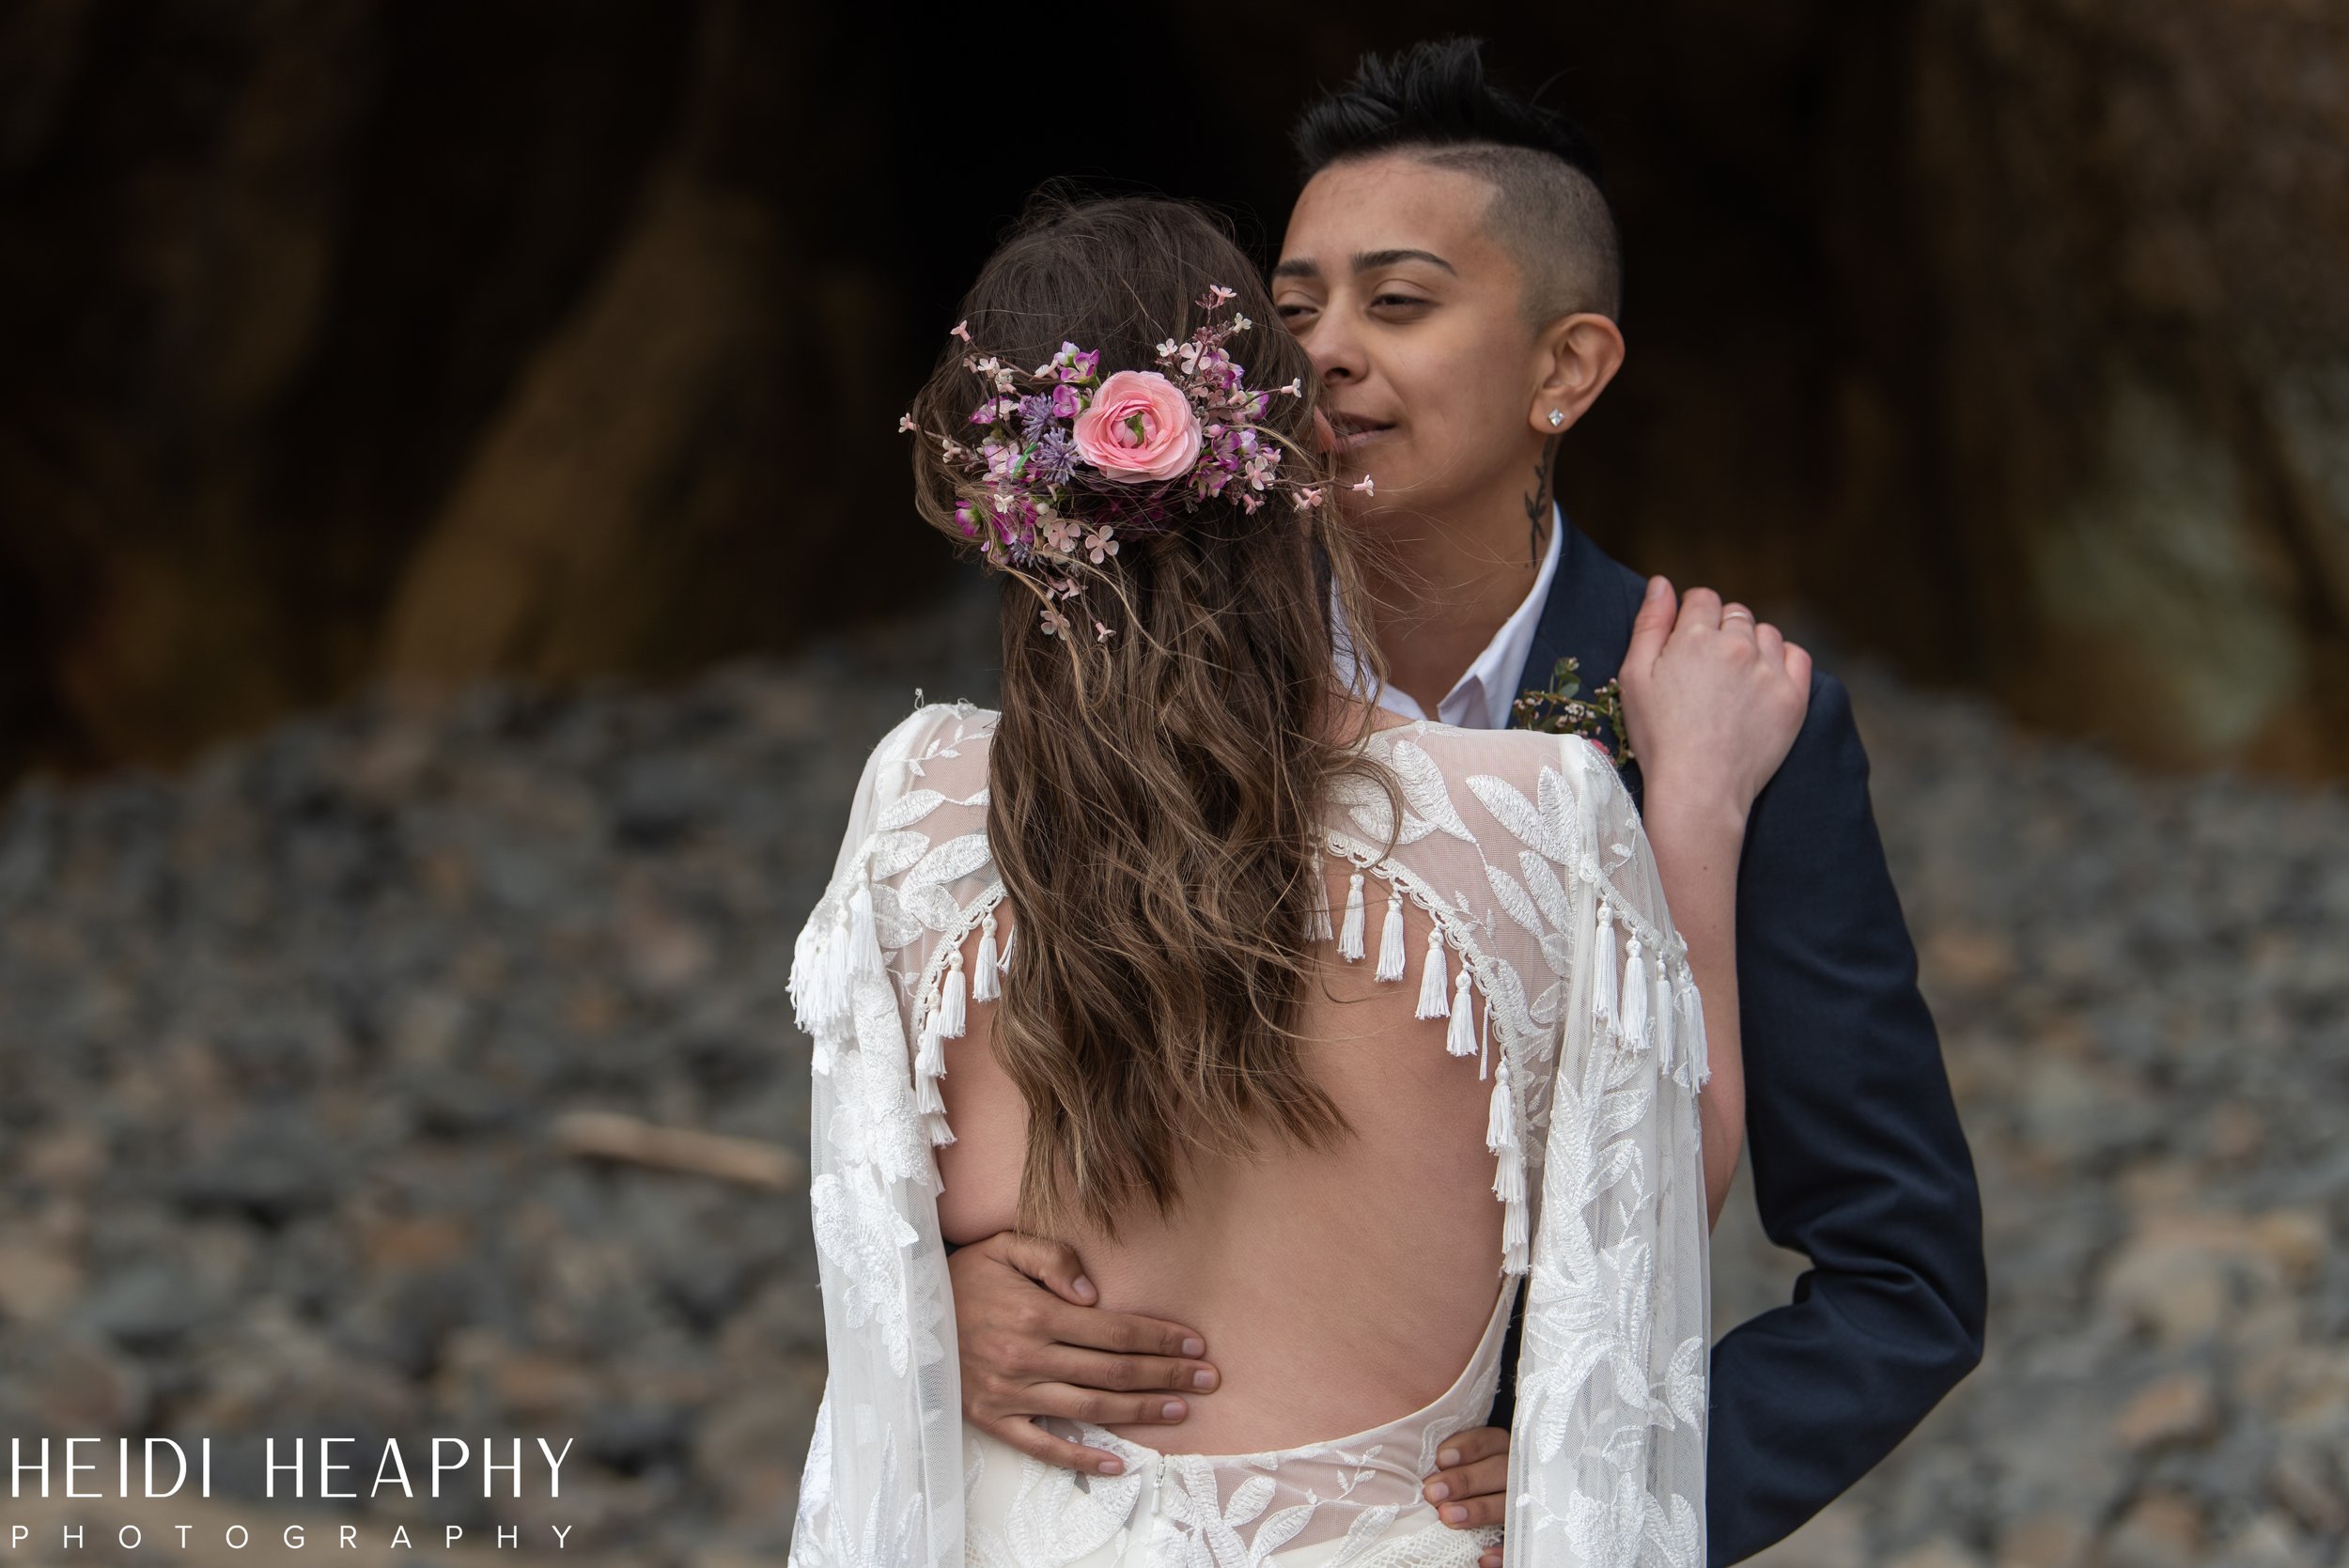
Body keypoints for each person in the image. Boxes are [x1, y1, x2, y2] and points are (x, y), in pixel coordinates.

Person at [943, 39, 1988, 1568]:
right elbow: (938, 1074)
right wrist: (943, 1288)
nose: (1326, 358)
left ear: (1567, 368)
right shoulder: (1144, 683)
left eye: (1401, 301)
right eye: (1288, 314)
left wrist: (1621, 1479)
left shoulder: (1729, 720)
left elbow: (1905, 1270)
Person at [785, 195, 1812, 1567]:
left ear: (997, 509)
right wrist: (1695, 804)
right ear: (1291, 455)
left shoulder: (918, 804)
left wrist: (930, 1302)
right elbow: (1652, 1209)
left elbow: (867, 1242)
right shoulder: (1532, 818)